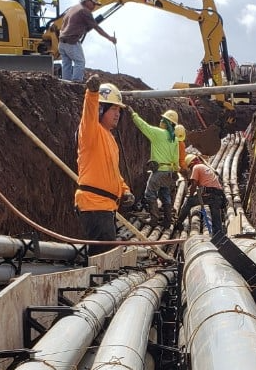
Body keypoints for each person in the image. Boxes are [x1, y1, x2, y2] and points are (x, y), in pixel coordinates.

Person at [76, 75, 133, 255]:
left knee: (104, 255)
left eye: (119, 109)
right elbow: (89, 114)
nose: (117, 113)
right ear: (101, 110)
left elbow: (113, 173)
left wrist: (125, 190)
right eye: (113, 108)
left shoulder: (110, 138)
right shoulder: (91, 132)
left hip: (106, 206)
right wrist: (92, 94)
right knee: (103, 258)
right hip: (94, 205)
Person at [124, 107, 180, 225]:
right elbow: (176, 158)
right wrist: (174, 171)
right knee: (164, 194)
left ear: (167, 123)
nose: (160, 122)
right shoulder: (174, 139)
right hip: (169, 171)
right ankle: (167, 220)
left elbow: (143, 126)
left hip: (159, 171)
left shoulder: (157, 133)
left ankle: (154, 219)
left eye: (163, 120)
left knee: (149, 193)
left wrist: (133, 114)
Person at [58, 0, 116, 82]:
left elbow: (66, 23)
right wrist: (110, 38)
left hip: (61, 42)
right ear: (87, 1)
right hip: (71, 41)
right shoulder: (84, 11)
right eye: (93, 4)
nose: (94, 6)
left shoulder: (73, 8)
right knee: (80, 62)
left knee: (66, 64)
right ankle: (76, 83)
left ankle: (65, 83)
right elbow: (97, 28)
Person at [181, 153, 227, 236]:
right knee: (216, 218)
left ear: (191, 164)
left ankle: (179, 223)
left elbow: (194, 184)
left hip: (210, 195)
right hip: (218, 196)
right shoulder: (205, 167)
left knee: (189, 202)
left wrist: (191, 195)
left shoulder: (196, 167)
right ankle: (219, 236)